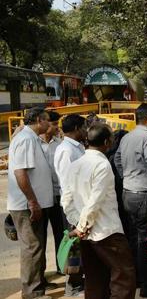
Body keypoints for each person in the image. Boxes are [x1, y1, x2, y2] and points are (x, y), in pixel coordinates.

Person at [61, 123, 136, 299]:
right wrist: (82, 226)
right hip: (106, 232)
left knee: (95, 280)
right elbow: (95, 201)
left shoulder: (75, 164)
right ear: (107, 141)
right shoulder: (102, 165)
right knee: (124, 278)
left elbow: (66, 201)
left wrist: (80, 224)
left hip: (87, 234)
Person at [115, 103, 147, 297]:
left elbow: (117, 160)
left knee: (135, 238)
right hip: (145, 195)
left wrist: (128, 178)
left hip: (128, 192)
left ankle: (137, 279)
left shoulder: (127, 136)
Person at [7, 107, 54, 299]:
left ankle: (38, 282)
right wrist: (32, 202)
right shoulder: (26, 139)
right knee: (32, 247)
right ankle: (32, 292)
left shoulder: (31, 138)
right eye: (47, 120)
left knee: (37, 245)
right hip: (27, 205)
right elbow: (20, 173)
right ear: (37, 119)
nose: (49, 124)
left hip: (34, 203)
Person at [54, 113, 87, 296]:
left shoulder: (77, 147)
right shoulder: (67, 150)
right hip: (72, 207)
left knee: (80, 247)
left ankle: (79, 281)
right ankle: (73, 285)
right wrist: (73, 215)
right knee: (74, 248)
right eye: (83, 127)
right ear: (76, 129)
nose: (85, 130)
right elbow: (68, 185)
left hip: (79, 204)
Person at [39, 111, 63, 274]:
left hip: (58, 196)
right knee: (39, 239)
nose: (56, 127)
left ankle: (62, 268)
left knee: (61, 235)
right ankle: (40, 275)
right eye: (54, 124)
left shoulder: (60, 144)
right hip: (40, 198)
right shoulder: (33, 144)